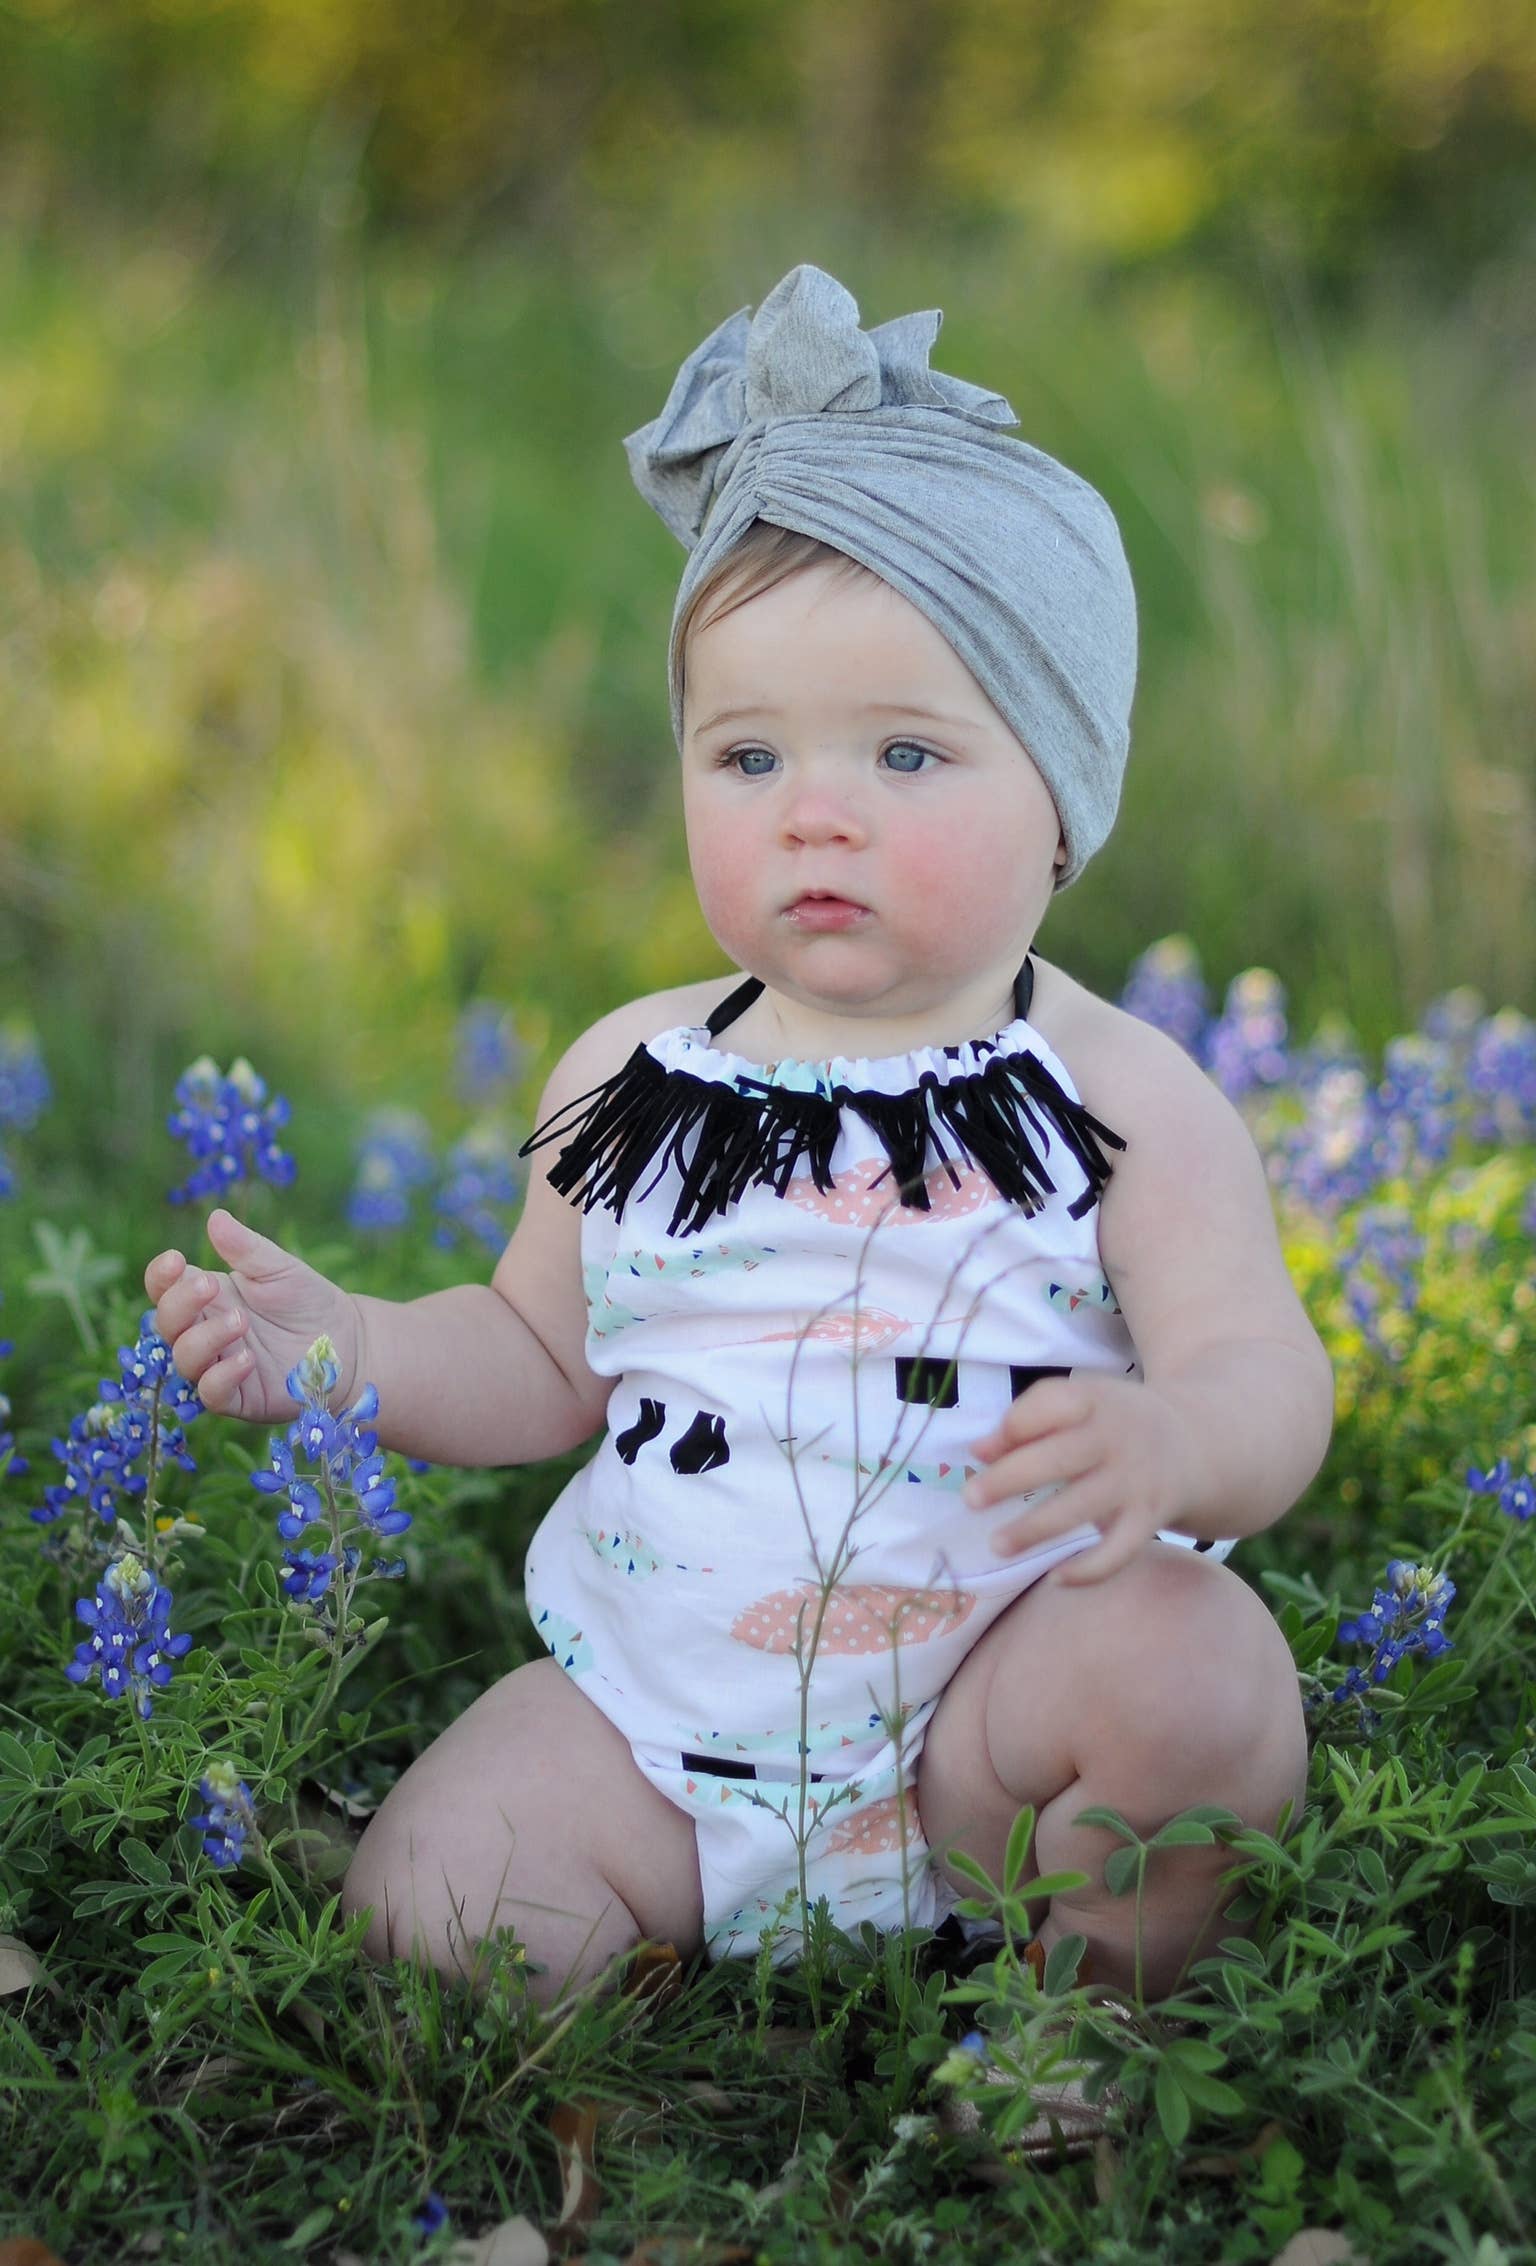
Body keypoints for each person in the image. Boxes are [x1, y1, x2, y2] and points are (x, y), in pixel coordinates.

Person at [144, 265, 1331, 2014]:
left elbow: (1268, 1377)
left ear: (1064, 801)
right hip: (661, 1726)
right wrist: (361, 1351)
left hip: (988, 1744)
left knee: (1201, 1673)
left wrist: (1176, 1444)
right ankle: (675, 1949)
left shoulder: (1129, 1098)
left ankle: (1071, 2012)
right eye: (749, 753)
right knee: (431, 1916)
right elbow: (544, 1354)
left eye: (910, 755)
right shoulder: (631, 1073)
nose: (817, 812)